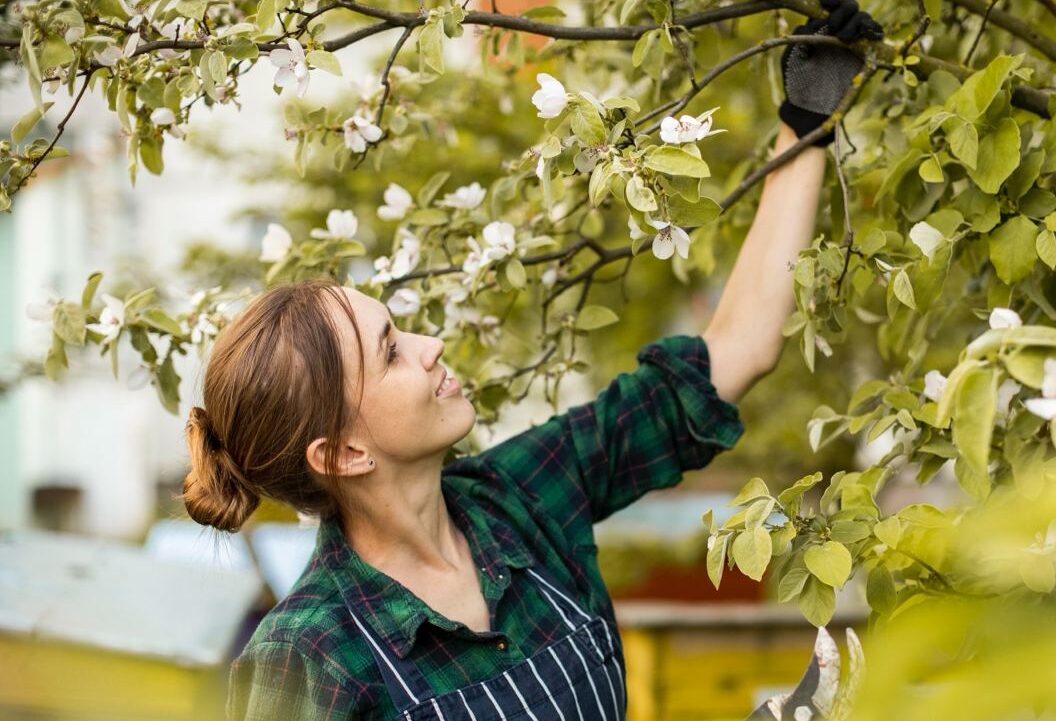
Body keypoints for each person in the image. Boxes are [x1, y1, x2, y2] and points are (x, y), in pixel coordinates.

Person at [190, 2, 882, 719]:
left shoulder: (519, 502)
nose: (430, 348)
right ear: (341, 451)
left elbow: (736, 351)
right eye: (392, 352)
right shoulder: (310, 653)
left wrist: (806, 122)